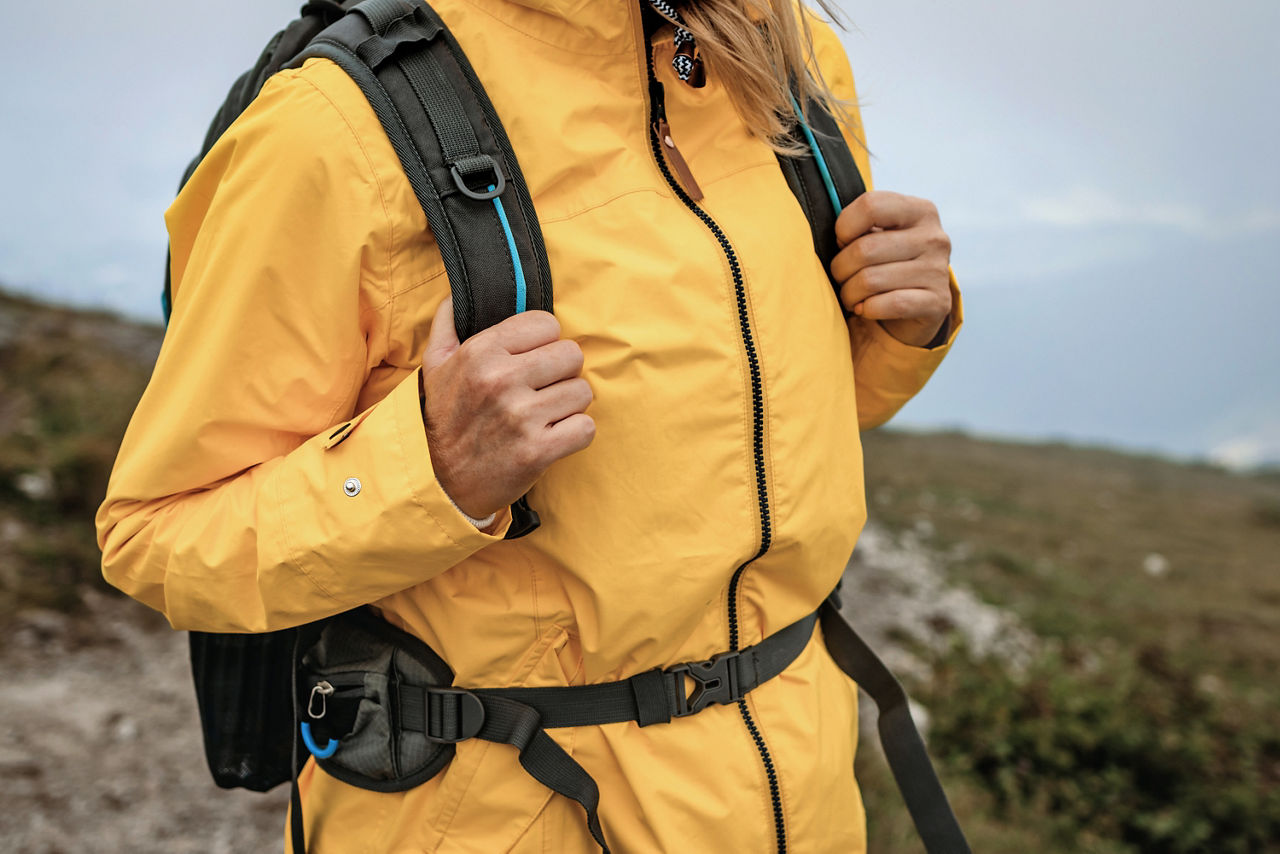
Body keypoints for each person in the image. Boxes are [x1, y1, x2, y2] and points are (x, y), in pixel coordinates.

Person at [97, 0, 961, 850]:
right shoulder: (335, 127)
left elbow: (766, 435)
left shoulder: (779, 54)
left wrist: (903, 326)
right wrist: (430, 473)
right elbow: (157, 535)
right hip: (501, 809)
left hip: (803, 792)